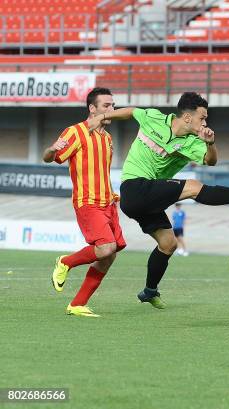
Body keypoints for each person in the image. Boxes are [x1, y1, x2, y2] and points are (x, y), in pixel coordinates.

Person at [86, 92, 229, 309]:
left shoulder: (192, 142)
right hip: (133, 187)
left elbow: (211, 161)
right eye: (202, 118)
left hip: (148, 198)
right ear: (188, 118)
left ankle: (149, 291)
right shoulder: (153, 117)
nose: (205, 122)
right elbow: (130, 112)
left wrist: (211, 143)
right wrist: (102, 118)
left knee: (168, 243)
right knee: (192, 186)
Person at [42, 87, 126, 318]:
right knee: (105, 248)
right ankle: (65, 262)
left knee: (110, 255)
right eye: (106, 106)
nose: (112, 110)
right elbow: (50, 157)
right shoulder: (75, 132)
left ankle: (78, 304)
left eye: (113, 105)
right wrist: (51, 149)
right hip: (87, 202)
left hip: (108, 203)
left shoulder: (107, 139)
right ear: (92, 108)